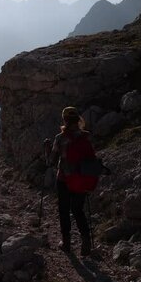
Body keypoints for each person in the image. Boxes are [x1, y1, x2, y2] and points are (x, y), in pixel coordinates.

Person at [44, 106, 94, 256]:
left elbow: (50, 162)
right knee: (78, 210)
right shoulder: (86, 136)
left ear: (64, 120)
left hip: (64, 179)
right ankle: (86, 241)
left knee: (64, 210)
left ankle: (66, 243)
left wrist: (47, 149)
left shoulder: (60, 138)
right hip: (82, 179)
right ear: (78, 119)